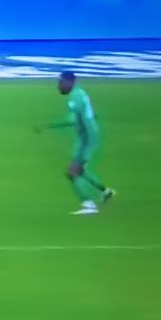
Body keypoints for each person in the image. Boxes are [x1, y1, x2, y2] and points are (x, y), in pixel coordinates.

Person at [35, 70, 116, 216]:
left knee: (71, 172)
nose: (58, 86)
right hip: (89, 136)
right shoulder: (81, 93)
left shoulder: (74, 97)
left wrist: (47, 125)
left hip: (86, 139)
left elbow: (71, 120)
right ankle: (105, 191)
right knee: (80, 170)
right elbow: (93, 113)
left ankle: (88, 205)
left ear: (70, 82)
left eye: (61, 82)